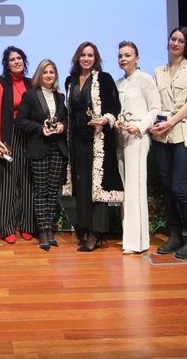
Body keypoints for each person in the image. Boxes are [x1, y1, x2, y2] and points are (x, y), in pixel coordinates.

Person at [62, 41, 123, 252]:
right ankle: (86, 229)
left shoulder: (104, 79)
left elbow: (115, 107)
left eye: (90, 55)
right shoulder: (70, 81)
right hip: (76, 140)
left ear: (95, 59)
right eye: (83, 55)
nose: (86, 58)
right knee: (82, 187)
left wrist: (104, 120)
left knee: (96, 188)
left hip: (97, 141)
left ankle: (97, 233)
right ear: (77, 57)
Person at [149, 27, 187, 259]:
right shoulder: (158, 71)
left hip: (183, 131)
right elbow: (153, 103)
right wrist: (153, 124)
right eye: (173, 39)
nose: (175, 43)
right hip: (161, 133)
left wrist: (171, 121)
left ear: (186, 45)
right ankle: (175, 235)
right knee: (166, 187)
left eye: (181, 40)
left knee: (179, 186)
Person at [15, 59, 67, 251]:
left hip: (57, 148)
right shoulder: (30, 96)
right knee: (41, 191)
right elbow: (20, 120)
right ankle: (43, 231)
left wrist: (62, 126)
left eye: (52, 72)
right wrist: (39, 129)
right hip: (39, 147)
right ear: (39, 74)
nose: (48, 75)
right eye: (45, 72)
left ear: (55, 75)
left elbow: (65, 119)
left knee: (53, 191)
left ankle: (49, 229)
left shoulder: (60, 97)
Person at [114, 41, 160, 255]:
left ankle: (137, 242)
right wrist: (115, 121)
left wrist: (140, 126)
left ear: (137, 58)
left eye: (128, 55)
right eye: (121, 55)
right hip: (120, 137)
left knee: (135, 187)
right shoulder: (118, 83)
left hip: (138, 138)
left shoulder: (145, 80)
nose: (123, 59)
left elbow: (155, 109)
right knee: (125, 187)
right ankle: (128, 237)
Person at [0, 46, 36, 244]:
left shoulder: (32, 84)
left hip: (29, 136)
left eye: (19, 58)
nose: (16, 61)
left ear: (24, 61)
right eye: (12, 59)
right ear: (6, 64)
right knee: (7, 184)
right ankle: (6, 227)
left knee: (27, 182)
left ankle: (27, 225)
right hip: (8, 137)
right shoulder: (1, 84)